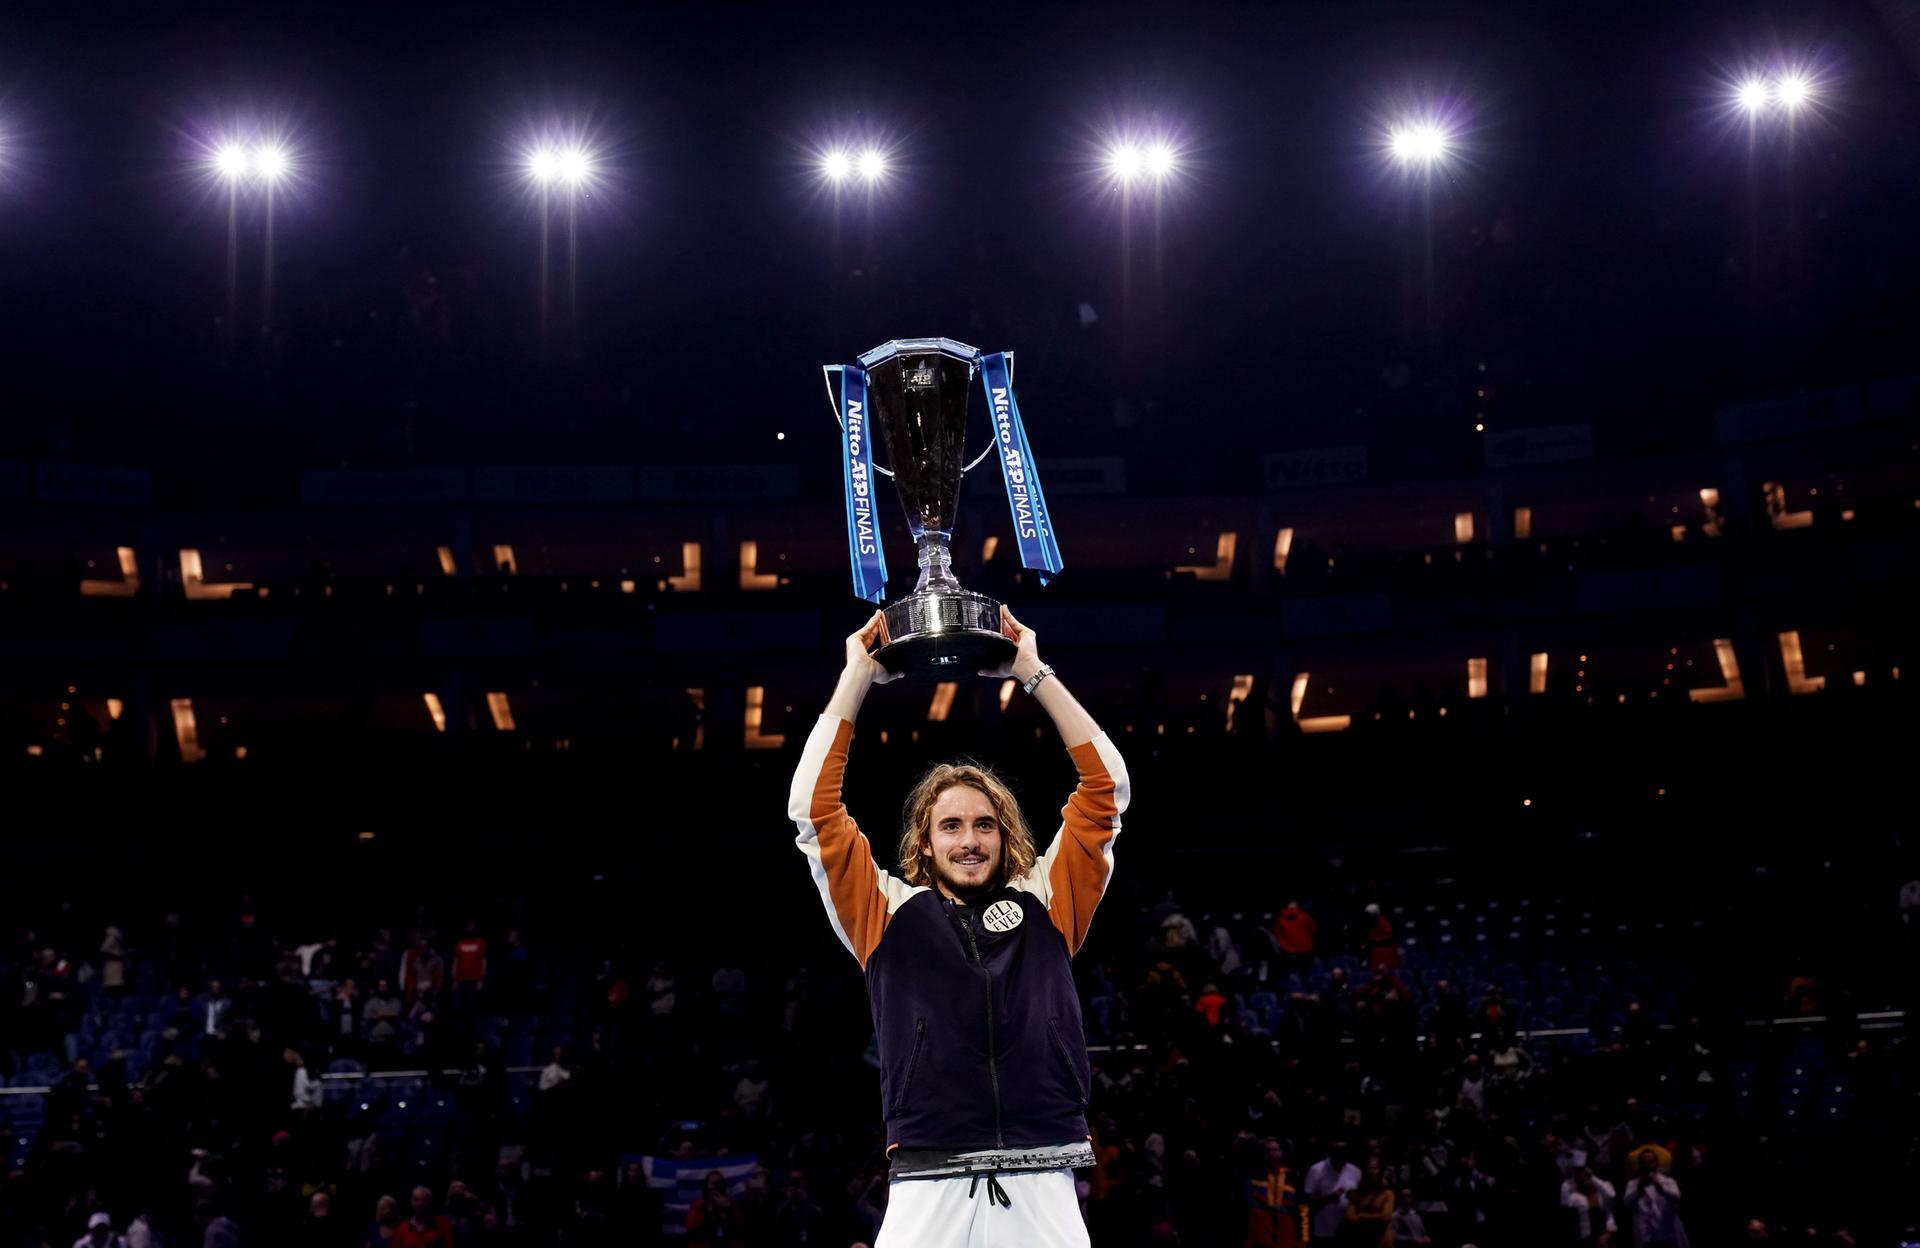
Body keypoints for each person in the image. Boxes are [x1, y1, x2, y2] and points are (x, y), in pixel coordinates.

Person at [786, 608, 1129, 1247]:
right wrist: (855, 678)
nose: (969, 841)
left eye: (984, 824)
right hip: (927, 1181)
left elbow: (1107, 790)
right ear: (925, 840)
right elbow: (813, 811)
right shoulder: (884, 913)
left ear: (1005, 836)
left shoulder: (1051, 902)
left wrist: (1033, 673)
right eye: (951, 826)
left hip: (1043, 1172)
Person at [1621, 1150, 1687, 1248]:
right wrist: (1640, 1188)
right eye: (1644, 1162)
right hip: (1646, 1235)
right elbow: (1626, 1203)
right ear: (1640, 1164)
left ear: (1656, 1163)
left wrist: (1661, 1187)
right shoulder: (1633, 1184)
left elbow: (1677, 1197)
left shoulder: (1667, 1181)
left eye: (1651, 1161)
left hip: (1667, 1232)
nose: (1647, 1165)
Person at [1303, 1143, 1362, 1242]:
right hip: (1322, 1231)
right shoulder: (1317, 1170)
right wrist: (1329, 1198)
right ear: (1331, 1156)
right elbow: (1307, 1201)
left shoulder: (1355, 1171)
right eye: (1337, 1158)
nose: (1340, 1163)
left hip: (1347, 1231)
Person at [1340, 1158, 1394, 1247]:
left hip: (1382, 1240)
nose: (1372, 1172)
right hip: (1361, 1239)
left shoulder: (1388, 1194)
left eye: (1375, 1169)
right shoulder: (1355, 1193)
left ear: (1380, 1171)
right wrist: (1376, 1217)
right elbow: (1350, 1217)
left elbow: (1386, 1218)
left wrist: (1361, 1216)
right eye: (1369, 1169)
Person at [1561, 1165, 1617, 1247]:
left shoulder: (1602, 1192)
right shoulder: (1575, 1197)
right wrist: (1570, 1178)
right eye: (1580, 1175)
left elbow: (1611, 1195)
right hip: (1584, 1239)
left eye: (1585, 1175)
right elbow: (1564, 1202)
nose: (1584, 1178)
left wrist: (1592, 1177)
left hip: (1605, 1237)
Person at [391, 1186, 455, 1248]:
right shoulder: (401, 1230)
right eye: (416, 1200)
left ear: (430, 1201)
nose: (420, 1204)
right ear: (411, 1202)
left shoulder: (444, 1225)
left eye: (425, 1200)